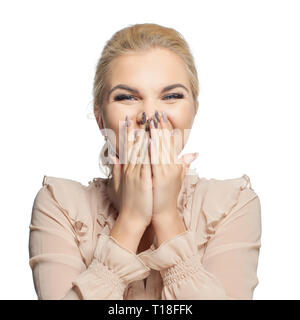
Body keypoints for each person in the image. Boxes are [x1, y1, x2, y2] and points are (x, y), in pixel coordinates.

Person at [28, 23, 262, 300]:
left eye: (172, 96)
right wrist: (131, 220)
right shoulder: (59, 204)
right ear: (100, 117)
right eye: (127, 97)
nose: (149, 114)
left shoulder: (233, 204)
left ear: (193, 112)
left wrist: (166, 217)